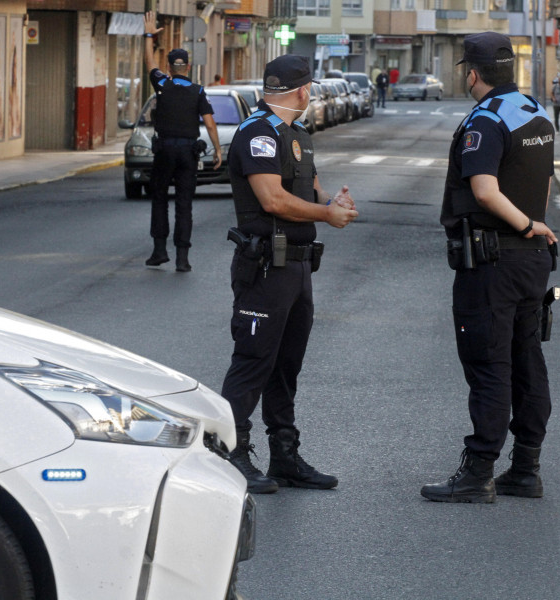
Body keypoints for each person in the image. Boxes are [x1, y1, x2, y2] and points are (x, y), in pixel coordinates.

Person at [423, 32, 558, 504]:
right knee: (526, 361)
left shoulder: (486, 119)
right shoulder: (536, 112)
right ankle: (525, 468)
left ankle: (478, 471)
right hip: (531, 264)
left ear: (473, 73)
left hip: (493, 261)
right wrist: (536, 227)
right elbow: (541, 184)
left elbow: (484, 190)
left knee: (488, 364)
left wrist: (523, 226)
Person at [221, 54, 359, 494]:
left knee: (286, 366)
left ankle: (284, 455)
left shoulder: (297, 134)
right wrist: (325, 213)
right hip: (265, 267)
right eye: (310, 90)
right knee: (252, 361)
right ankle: (232, 452)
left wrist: (335, 202)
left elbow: (310, 189)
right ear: (304, 90)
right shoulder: (256, 132)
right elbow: (272, 201)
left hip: (298, 266)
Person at [142, 11, 222, 272]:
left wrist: (149, 34)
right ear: (188, 67)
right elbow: (209, 123)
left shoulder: (162, 84)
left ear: (169, 67)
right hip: (188, 153)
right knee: (184, 204)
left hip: (164, 151)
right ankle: (182, 259)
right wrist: (218, 149)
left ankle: (158, 251)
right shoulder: (198, 91)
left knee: (159, 199)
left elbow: (148, 62)